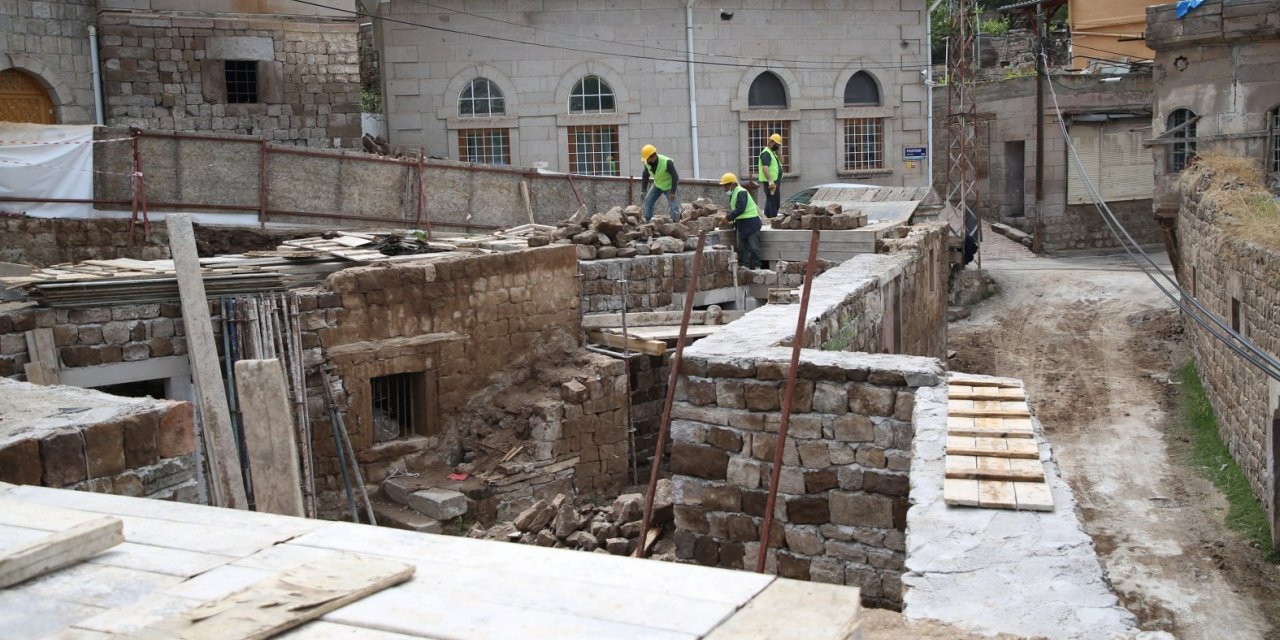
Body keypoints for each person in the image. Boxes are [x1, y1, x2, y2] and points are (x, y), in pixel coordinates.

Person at [720, 172, 762, 269]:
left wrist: (728, 217)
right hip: (742, 223)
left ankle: (757, 267)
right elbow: (736, 209)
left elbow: (740, 208)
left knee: (753, 247)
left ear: (732, 184)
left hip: (751, 223)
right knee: (741, 247)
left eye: (725, 186)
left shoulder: (741, 192)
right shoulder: (733, 194)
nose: (724, 189)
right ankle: (745, 266)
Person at [639, 144, 681, 222]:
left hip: (669, 186)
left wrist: (672, 191)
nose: (647, 161)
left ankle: (676, 225)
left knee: (674, 207)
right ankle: (649, 222)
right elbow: (645, 175)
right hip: (657, 185)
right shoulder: (647, 163)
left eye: (648, 159)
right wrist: (643, 190)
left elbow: (675, 177)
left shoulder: (667, 162)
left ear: (654, 156)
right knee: (648, 201)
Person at [758, 133, 783, 219]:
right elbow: (765, 168)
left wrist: (779, 153)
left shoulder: (773, 153)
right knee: (774, 202)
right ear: (771, 142)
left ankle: (767, 219)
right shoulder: (766, 153)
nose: (778, 147)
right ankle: (772, 219)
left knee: (771, 201)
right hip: (771, 182)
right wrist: (770, 181)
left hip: (776, 181)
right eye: (777, 144)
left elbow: (782, 162)